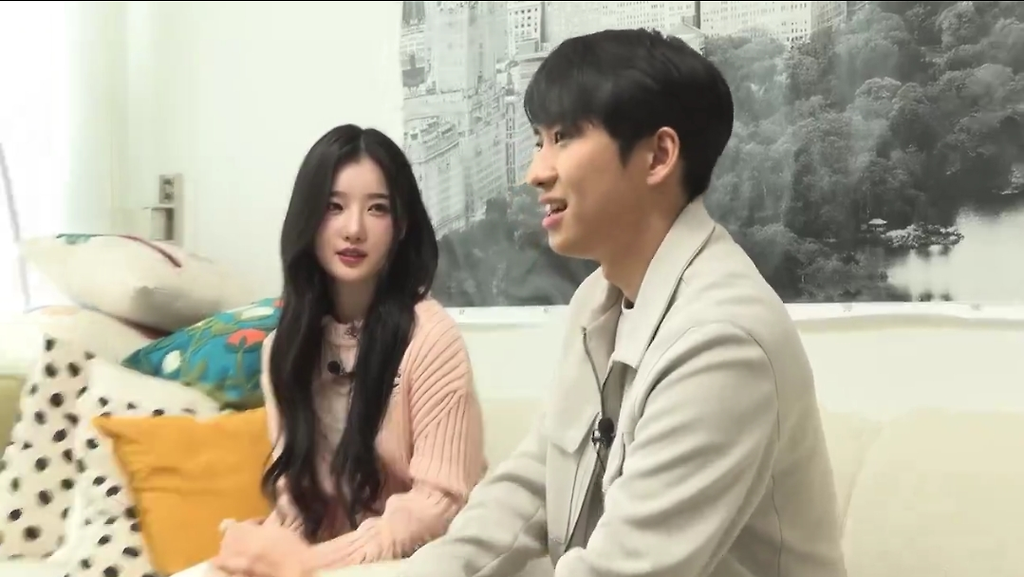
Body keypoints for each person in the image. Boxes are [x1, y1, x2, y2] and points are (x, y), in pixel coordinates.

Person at [400, 29, 848, 577]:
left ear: (658, 156)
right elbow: (531, 485)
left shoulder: (722, 341)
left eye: (564, 138)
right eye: (539, 141)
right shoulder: (597, 301)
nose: (536, 172)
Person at [199, 124, 487, 577]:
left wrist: (308, 562)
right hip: (327, 562)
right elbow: (298, 502)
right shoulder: (283, 349)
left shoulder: (431, 339)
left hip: (420, 564)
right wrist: (260, 549)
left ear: (401, 226)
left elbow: (438, 506)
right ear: (308, 219)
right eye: (334, 207)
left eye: (377, 209)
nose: (354, 229)